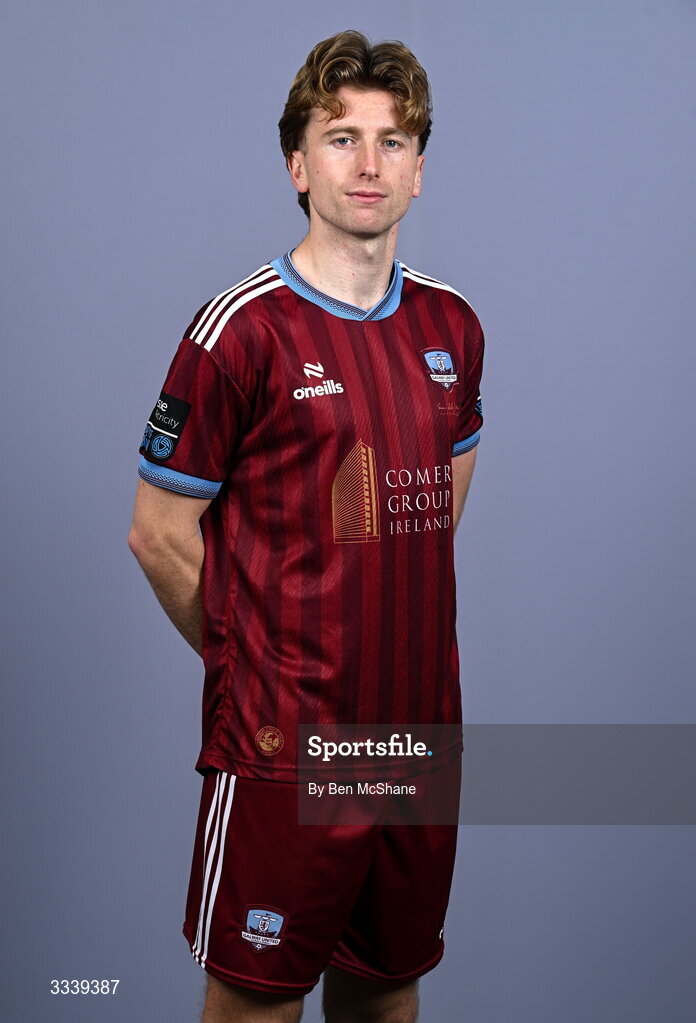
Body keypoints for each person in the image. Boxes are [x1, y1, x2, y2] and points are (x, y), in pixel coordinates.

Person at [128, 28, 485, 1023]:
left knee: (387, 991)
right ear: (297, 163)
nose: (369, 163)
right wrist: (256, 660)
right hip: (288, 748)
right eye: (341, 138)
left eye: (393, 141)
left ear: (419, 171)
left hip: (415, 740)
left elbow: (439, 491)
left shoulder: (453, 327)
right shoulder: (239, 330)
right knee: (256, 1002)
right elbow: (158, 533)